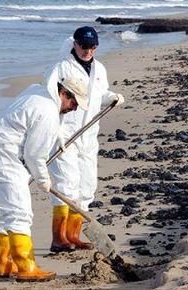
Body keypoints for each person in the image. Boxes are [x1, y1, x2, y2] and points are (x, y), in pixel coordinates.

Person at [0, 63, 89, 282]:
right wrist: (43, 179)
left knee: (3, 213)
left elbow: (30, 124)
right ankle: (26, 268)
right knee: (20, 213)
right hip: (6, 159)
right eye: (73, 102)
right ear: (63, 93)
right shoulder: (47, 111)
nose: (74, 108)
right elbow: (34, 155)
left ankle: (5, 265)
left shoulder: (36, 91)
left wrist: (58, 138)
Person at [45, 26, 124, 253]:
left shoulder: (99, 68)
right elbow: (50, 102)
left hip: (88, 137)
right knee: (66, 185)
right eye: (84, 46)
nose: (88, 51)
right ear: (75, 44)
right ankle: (59, 239)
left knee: (87, 186)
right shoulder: (60, 68)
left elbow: (100, 95)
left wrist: (112, 98)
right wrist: (55, 134)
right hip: (64, 136)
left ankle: (74, 235)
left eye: (92, 47)